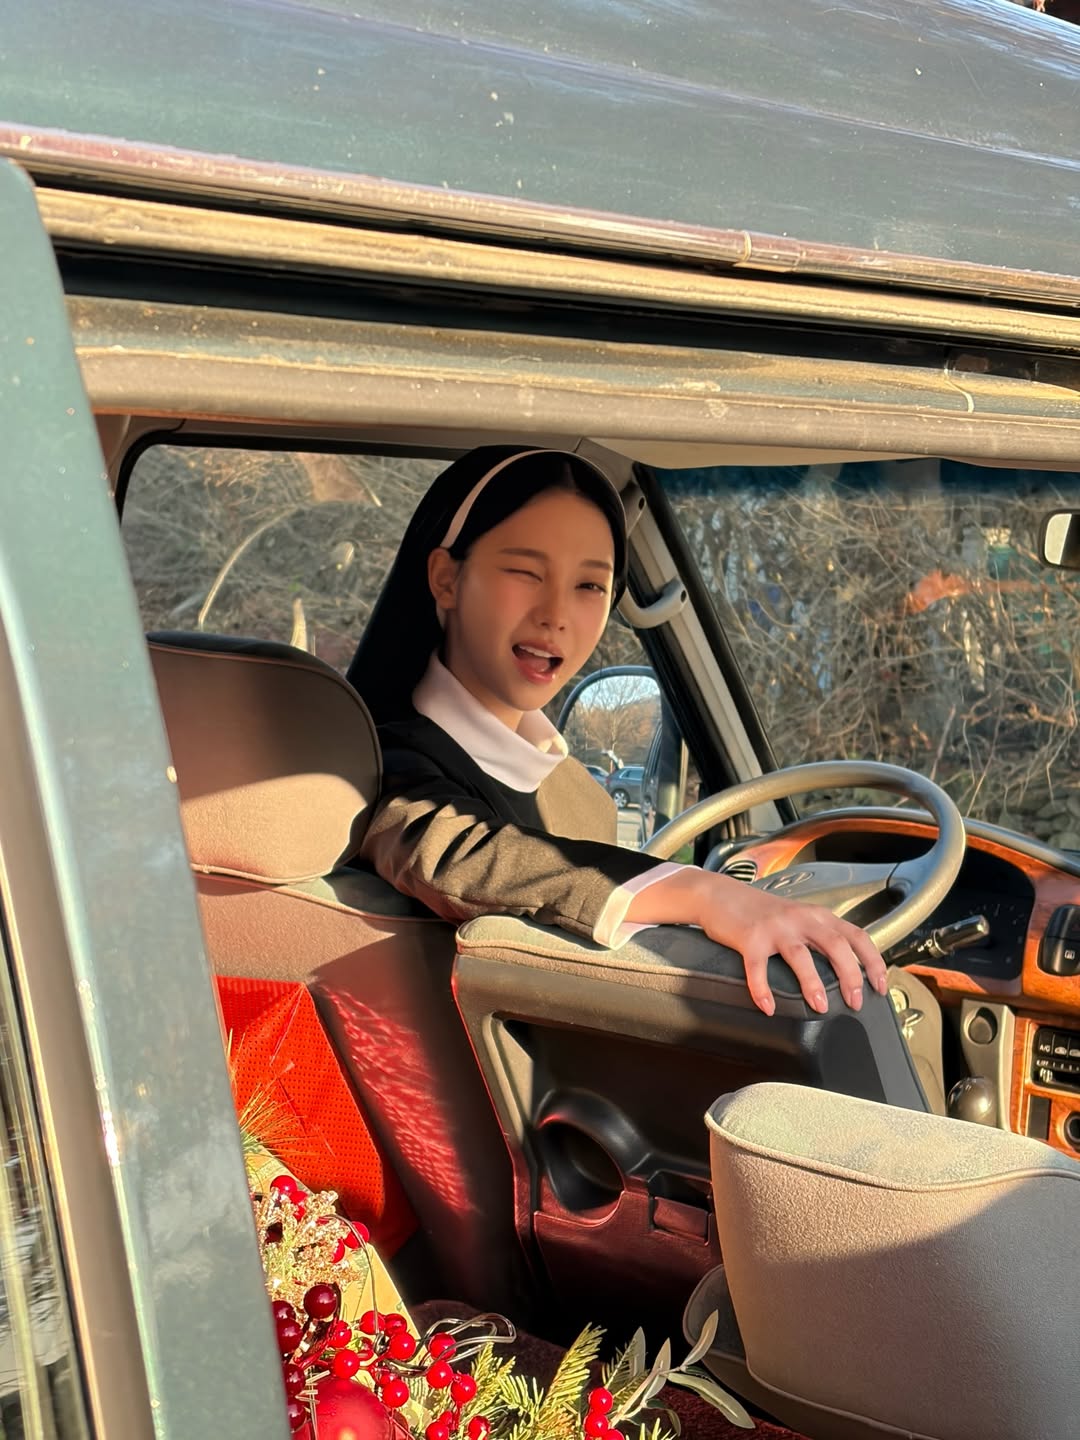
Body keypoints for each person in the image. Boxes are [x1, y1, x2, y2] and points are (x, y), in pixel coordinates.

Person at [349, 446, 887, 1017]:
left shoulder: (583, 799)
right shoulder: (375, 762)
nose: (556, 614)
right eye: (525, 572)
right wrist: (706, 892)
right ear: (446, 579)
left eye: (590, 587)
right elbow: (458, 853)